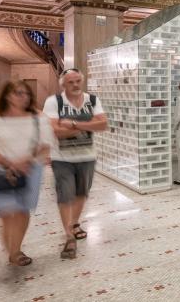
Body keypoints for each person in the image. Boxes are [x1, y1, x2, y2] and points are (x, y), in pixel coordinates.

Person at [0, 81, 53, 266]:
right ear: (7, 96)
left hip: (30, 170)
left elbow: (45, 142)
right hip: (2, 171)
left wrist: (25, 161)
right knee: (7, 212)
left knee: (22, 211)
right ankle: (12, 251)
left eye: (26, 93)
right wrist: (10, 163)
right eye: (18, 93)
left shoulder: (38, 117)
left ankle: (16, 250)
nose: (23, 96)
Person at [43, 68, 107, 259]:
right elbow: (56, 131)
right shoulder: (53, 102)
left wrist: (72, 124)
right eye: (71, 82)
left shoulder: (92, 100)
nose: (76, 85)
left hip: (87, 156)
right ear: (63, 84)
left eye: (78, 81)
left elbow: (103, 125)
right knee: (65, 195)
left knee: (81, 193)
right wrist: (88, 124)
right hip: (61, 158)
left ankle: (74, 222)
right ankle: (69, 236)